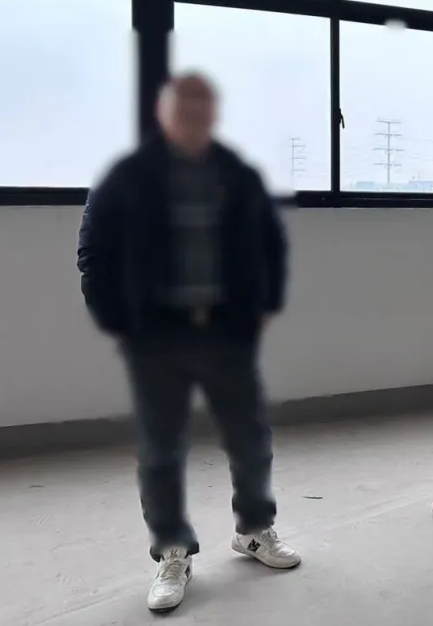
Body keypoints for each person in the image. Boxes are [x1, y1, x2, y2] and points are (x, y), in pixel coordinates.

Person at [76, 73, 299, 612]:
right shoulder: (126, 178)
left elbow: (270, 244)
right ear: (164, 114)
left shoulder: (236, 174)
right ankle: (172, 552)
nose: (194, 121)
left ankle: (254, 531)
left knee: (250, 437)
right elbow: (93, 254)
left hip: (225, 333)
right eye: (184, 111)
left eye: (203, 111)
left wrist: (262, 308)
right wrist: (118, 322)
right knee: (160, 449)